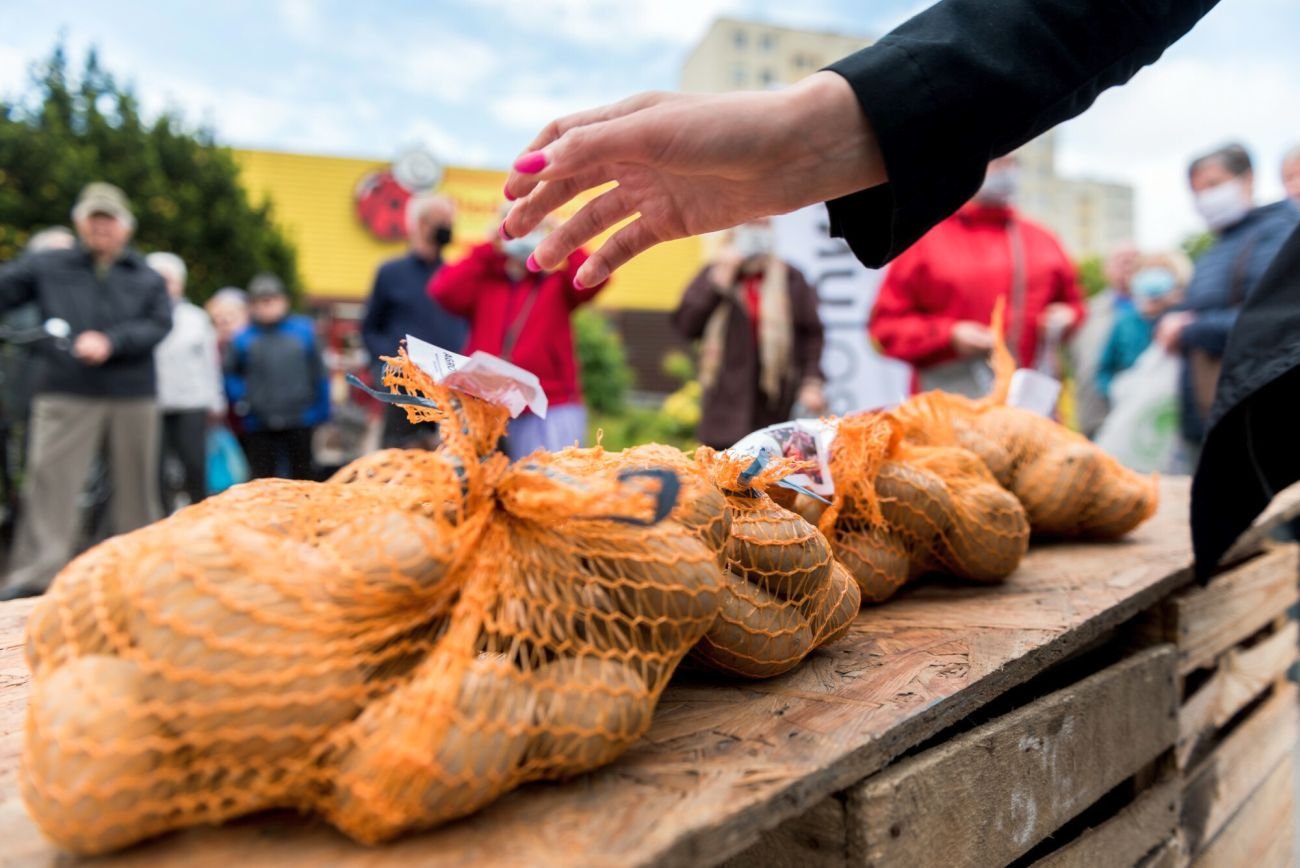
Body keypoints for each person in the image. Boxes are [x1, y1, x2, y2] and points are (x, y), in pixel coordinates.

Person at [0, 182, 171, 598]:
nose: (101, 227)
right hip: (65, 389)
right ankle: (36, 575)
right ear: (79, 223)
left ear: (126, 227)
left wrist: (112, 341)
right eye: (93, 218)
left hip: (132, 394)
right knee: (50, 484)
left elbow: (158, 324)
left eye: (109, 219)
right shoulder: (47, 265)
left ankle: (139, 573)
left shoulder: (146, 277)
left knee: (137, 489)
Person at [868, 154, 1085, 397]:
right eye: (997, 159)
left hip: (1029, 404)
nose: (1006, 171)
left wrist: (1068, 317)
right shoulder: (926, 239)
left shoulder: (1043, 238)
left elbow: (1075, 304)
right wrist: (948, 336)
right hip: (950, 405)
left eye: (1012, 162)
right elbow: (885, 327)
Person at [1153, 144, 1299, 463]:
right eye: (1196, 191)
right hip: (1208, 415)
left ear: (1247, 180)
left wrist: (1189, 330)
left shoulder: (1278, 232)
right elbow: (1199, 306)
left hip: (1251, 419)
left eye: (1214, 185)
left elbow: (1271, 321)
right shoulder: (1217, 247)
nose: (1205, 198)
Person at [429, 213, 606, 460]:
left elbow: (594, 278)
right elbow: (443, 290)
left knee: (549, 486)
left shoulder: (555, 281)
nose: (524, 236)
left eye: (532, 229)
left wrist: (563, 238)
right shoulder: (486, 280)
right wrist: (490, 246)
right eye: (514, 231)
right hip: (484, 404)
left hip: (548, 404)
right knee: (478, 487)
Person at [672, 219, 825, 448]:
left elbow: (812, 334)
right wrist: (718, 282)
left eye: (765, 226)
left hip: (775, 405)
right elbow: (686, 325)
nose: (759, 232)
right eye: (752, 224)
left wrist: (811, 382)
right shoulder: (714, 274)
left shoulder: (790, 277)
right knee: (722, 478)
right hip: (724, 406)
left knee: (772, 476)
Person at [361, 194, 467, 448]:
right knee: (400, 462)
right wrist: (388, 370)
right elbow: (369, 329)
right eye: (442, 221)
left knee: (448, 463)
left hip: (447, 390)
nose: (448, 228)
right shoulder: (390, 273)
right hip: (403, 392)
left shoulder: (454, 275)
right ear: (421, 224)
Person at [224, 273, 330, 480]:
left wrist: (321, 411)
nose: (268, 306)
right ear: (252, 305)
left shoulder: (303, 332)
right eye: (261, 301)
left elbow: (319, 373)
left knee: (303, 478)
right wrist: (244, 401)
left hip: (300, 419)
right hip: (259, 421)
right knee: (263, 481)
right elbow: (230, 374)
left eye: (272, 299)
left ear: (284, 301)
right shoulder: (243, 338)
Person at [147, 252, 225, 510]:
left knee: (194, 464)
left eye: (169, 279)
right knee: (154, 469)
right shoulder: (138, 316)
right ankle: (161, 517)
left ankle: (199, 514)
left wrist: (216, 400)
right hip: (152, 404)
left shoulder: (196, 318)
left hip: (191, 402)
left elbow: (209, 363)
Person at [1095, 250, 1189, 400]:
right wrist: (1116, 391)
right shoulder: (1125, 322)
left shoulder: (1184, 319)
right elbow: (1104, 371)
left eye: (1161, 271)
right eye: (1148, 271)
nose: (1153, 278)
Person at [1070, 243, 1138, 438]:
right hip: (1097, 416)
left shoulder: (1159, 312)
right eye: (1120, 261)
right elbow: (1078, 362)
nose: (1127, 266)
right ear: (1106, 270)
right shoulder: (1088, 311)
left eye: (1133, 261)